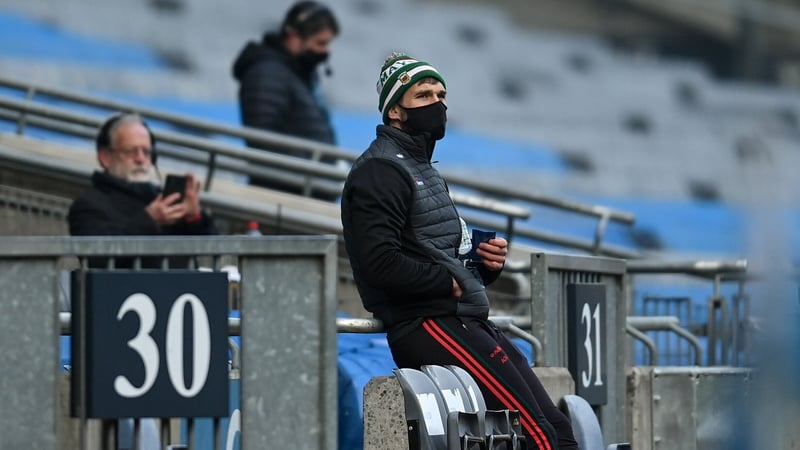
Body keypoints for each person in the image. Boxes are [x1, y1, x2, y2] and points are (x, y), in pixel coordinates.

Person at [340, 53, 578, 450]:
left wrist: (484, 262)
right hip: (429, 323)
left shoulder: (423, 168)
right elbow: (379, 264)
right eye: (423, 95)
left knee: (557, 427)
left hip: (465, 319)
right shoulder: (379, 172)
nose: (438, 103)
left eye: (441, 93)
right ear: (395, 109)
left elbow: (444, 245)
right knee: (539, 437)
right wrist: (447, 283)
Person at [68, 113, 218, 266]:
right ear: (105, 157)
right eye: (131, 151)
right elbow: (95, 259)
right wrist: (150, 219)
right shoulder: (88, 204)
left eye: (146, 152)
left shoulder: (161, 200)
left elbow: (215, 249)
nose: (140, 159)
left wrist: (194, 217)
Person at [231, 1, 340, 198]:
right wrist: (314, 169)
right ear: (294, 36)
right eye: (320, 43)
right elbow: (263, 140)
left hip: (301, 191)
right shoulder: (267, 74)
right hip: (280, 196)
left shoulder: (295, 73)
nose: (326, 52)